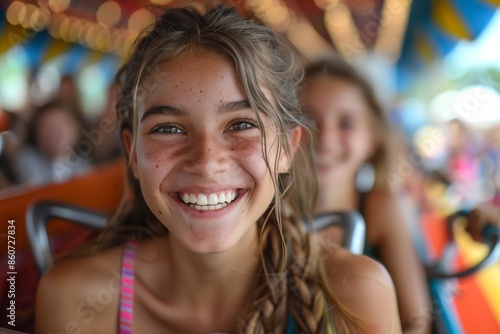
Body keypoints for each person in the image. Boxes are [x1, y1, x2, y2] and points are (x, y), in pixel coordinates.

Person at [35, 5, 401, 333]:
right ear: (132, 152)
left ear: (289, 147)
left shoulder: (357, 295)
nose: (207, 162)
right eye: (168, 129)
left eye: (241, 124)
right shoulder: (74, 299)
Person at [300, 58, 430, 333]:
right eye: (308, 119)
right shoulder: (262, 212)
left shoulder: (380, 207)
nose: (325, 140)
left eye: (345, 123)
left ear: (373, 138)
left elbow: (417, 320)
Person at [13, 101, 93, 186]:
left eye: (60, 125)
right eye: (45, 128)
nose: (53, 133)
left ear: (76, 128)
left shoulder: (85, 164)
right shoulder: (27, 160)